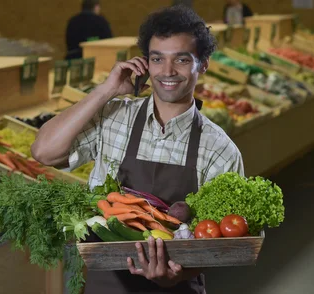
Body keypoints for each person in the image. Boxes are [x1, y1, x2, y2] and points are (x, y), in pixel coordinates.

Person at [32, 5, 244, 293]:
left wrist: (175, 276)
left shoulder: (219, 149)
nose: (167, 71)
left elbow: (222, 243)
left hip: (177, 285)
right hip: (104, 283)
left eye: (182, 59)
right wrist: (106, 90)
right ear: (145, 63)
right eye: (157, 59)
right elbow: (44, 151)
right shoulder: (114, 117)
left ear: (203, 64)